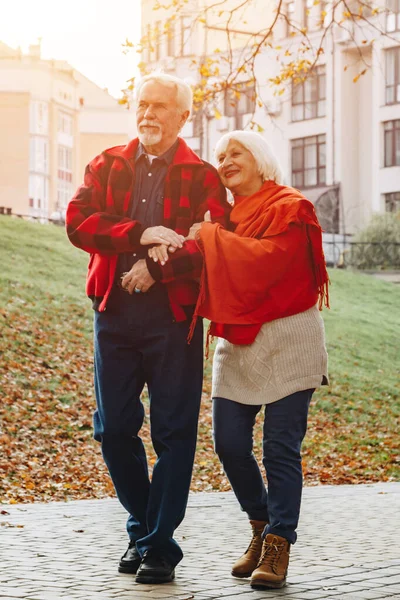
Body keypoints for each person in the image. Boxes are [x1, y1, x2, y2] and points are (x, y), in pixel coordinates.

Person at [66, 73, 230, 585]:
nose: (149, 114)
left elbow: (215, 240)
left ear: (184, 116)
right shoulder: (108, 164)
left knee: (174, 432)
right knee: (113, 427)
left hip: (175, 320)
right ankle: (144, 529)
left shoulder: (202, 176)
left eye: (161, 106)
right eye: (142, 104)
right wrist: (139, 234)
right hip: (113, 314)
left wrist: (158, 265)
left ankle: (157, 545)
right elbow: (77, 221)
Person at [149, 130, 329, 590]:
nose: (225, 160)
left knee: (280, 449)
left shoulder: (292, 207)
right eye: (220, 156)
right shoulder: (223, 219)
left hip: (290, 339)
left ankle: (278, 545)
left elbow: (269, 263)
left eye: (236, 153)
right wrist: (147, 265)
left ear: (260, 158)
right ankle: (261, 524)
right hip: (237, 339)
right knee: (229, 443)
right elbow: (192, 254)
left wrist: (208, 236)